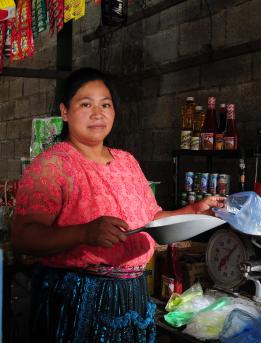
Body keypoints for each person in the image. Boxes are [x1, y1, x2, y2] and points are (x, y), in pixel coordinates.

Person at [12, 68, 225, 343]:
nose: (97, 113)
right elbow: (23, 237)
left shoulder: (127, 161)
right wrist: (84, 233)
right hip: (78, 299)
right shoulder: (52, 166)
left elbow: (151, 217)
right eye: (86, 104)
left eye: (106, 104)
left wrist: (195, 210)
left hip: (133, 295)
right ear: (65, 111)